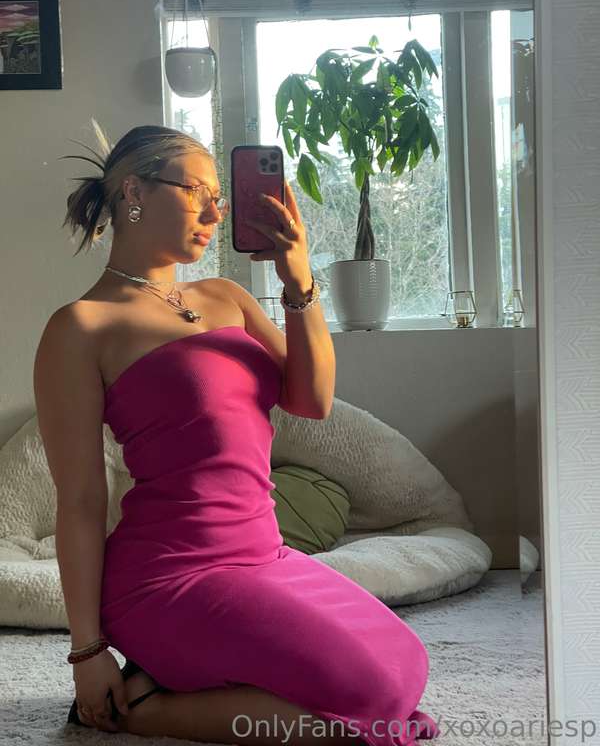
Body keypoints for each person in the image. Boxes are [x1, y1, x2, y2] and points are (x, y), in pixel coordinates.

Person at [33, 122, 440, 745]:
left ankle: (166, 682)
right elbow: (82, 502)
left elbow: (312, 400)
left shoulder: (226, 296)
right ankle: (142, 708)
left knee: (407, 666)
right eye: (197, 192)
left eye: (220, 198)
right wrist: (87, 652)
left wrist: (297, 281)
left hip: (265, 555)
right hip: (167, 578)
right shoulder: (81, 327)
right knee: (376, 700)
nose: (216, 213)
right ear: (134, 191)